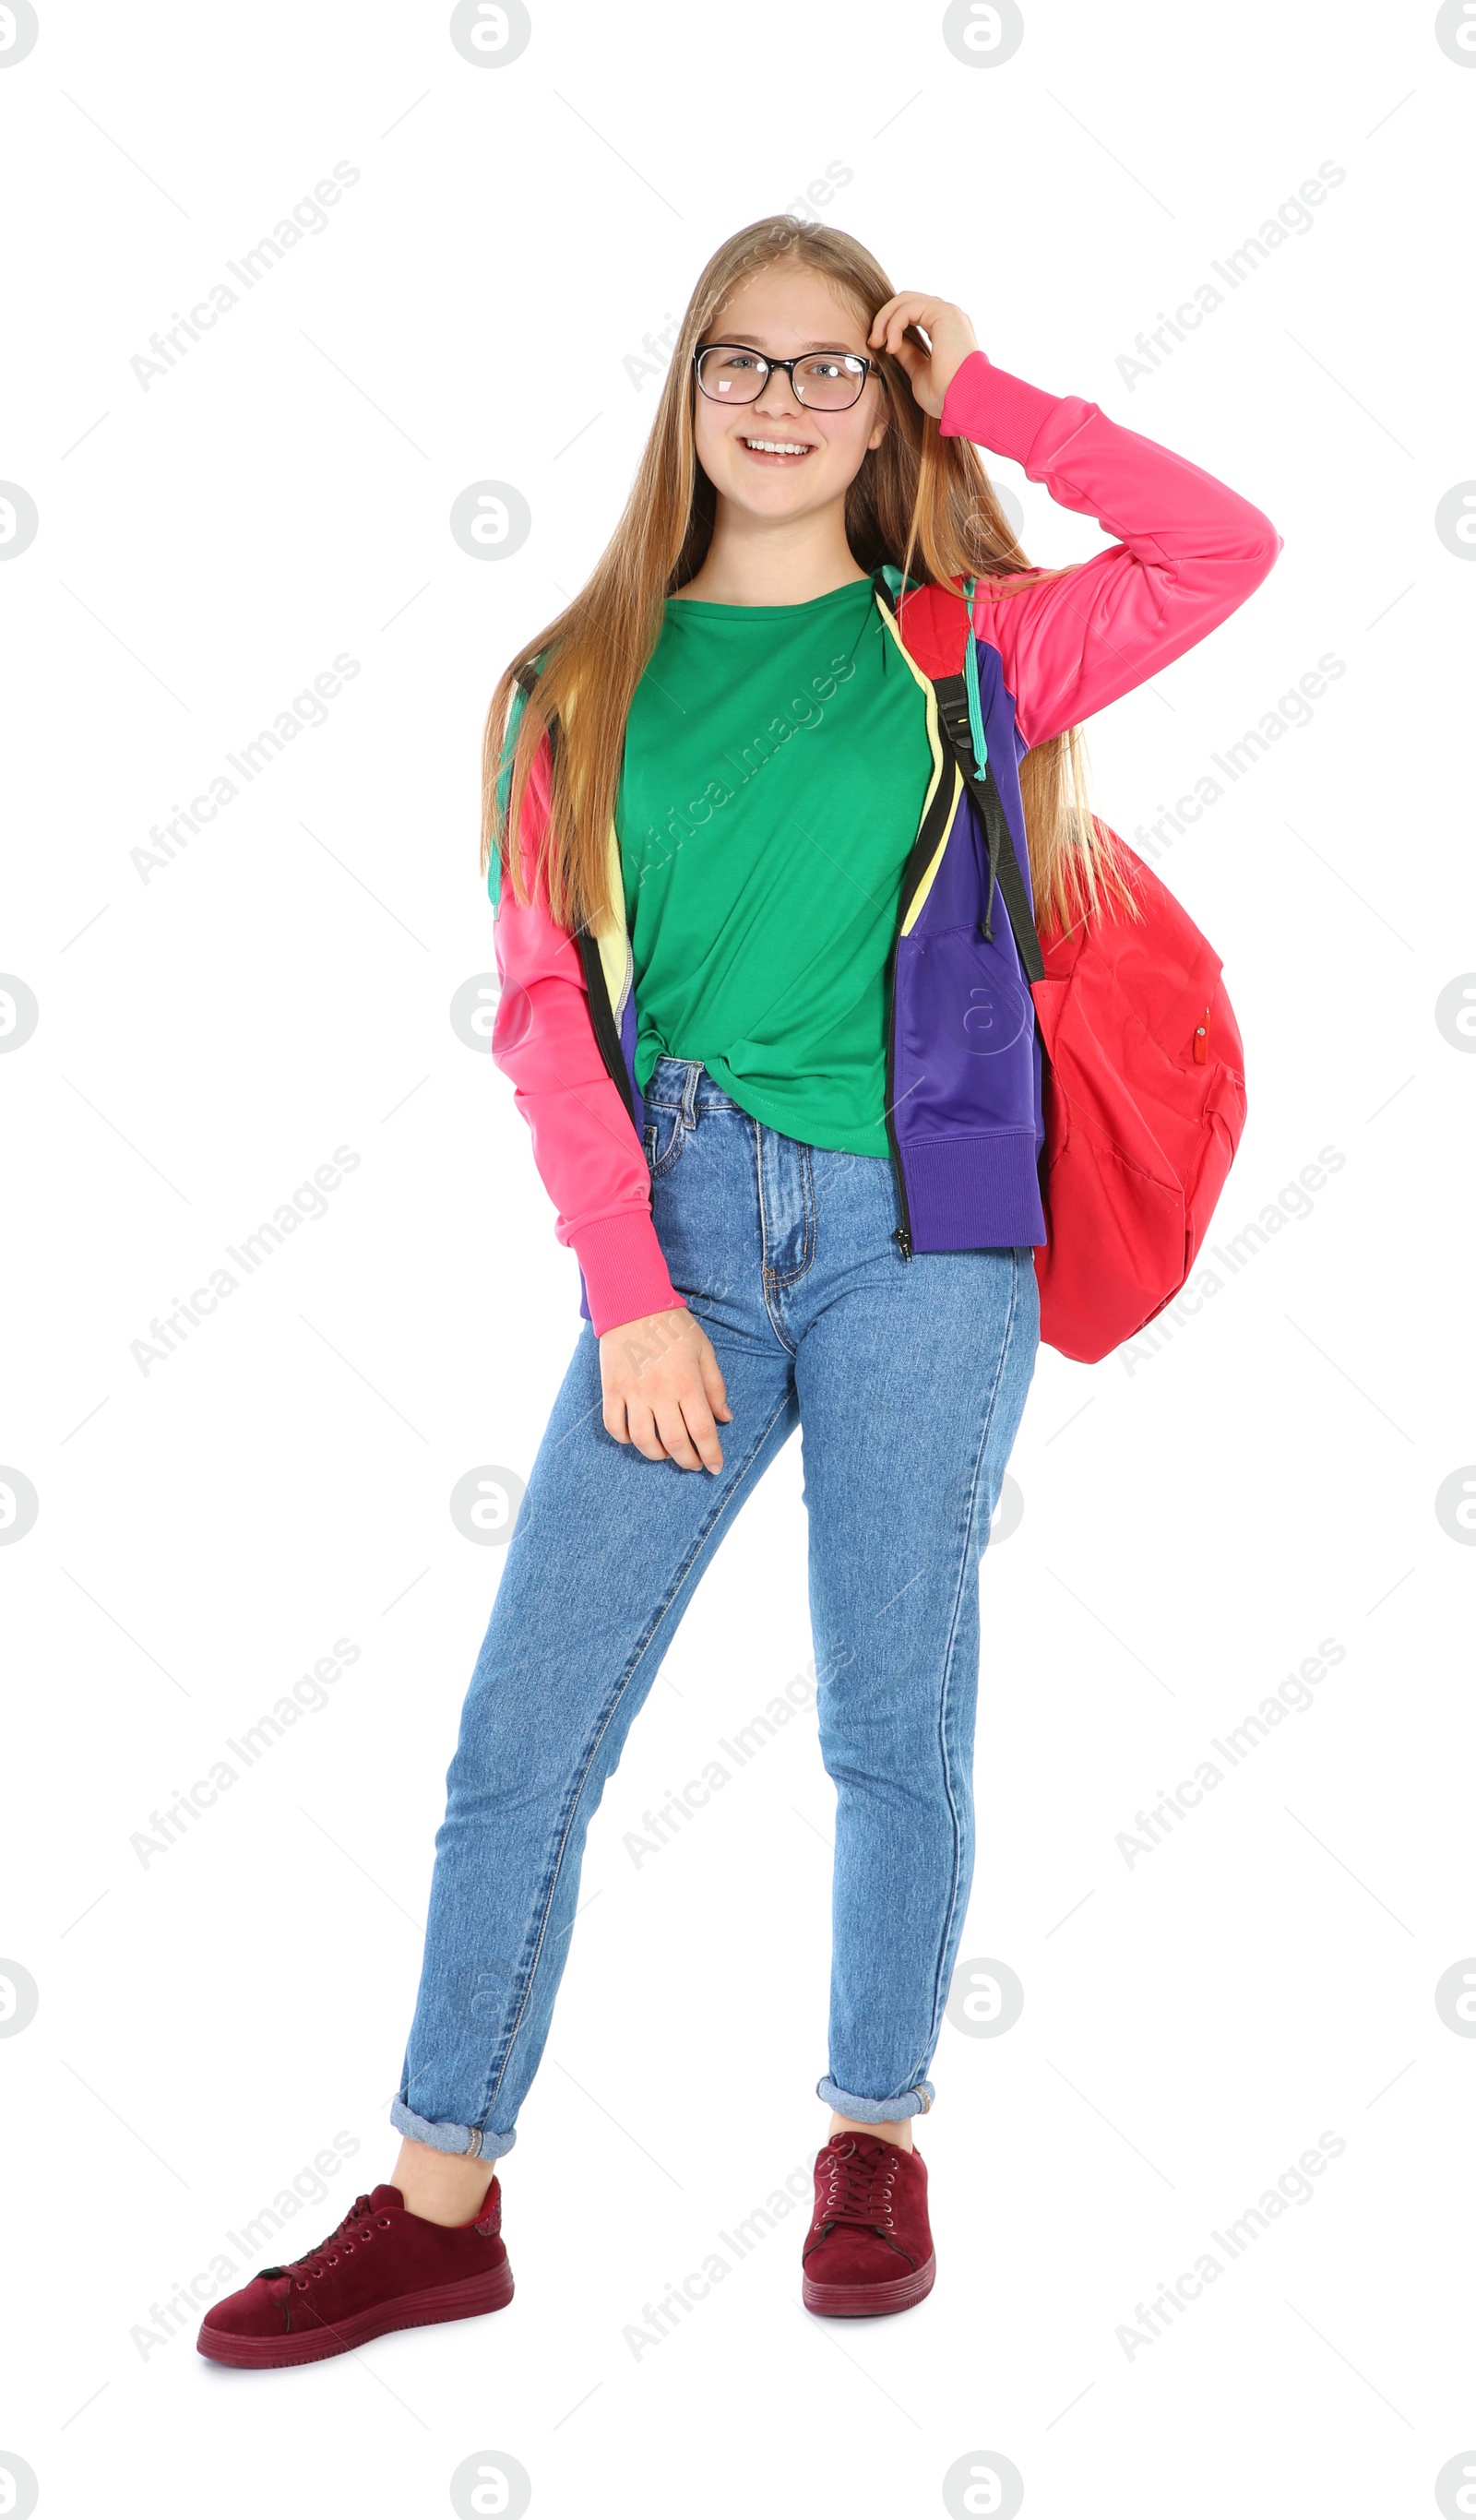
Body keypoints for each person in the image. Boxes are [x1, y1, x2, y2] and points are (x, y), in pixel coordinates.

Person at [198, 215, 1279, 2367]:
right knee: (522, 1738)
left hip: (923, 1228)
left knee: (894, 1717)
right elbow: (537, 1014)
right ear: (680, 393)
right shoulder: (563, 678)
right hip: (678, 1230)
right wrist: (631, 1292)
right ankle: (440, 2201)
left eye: (829, 369)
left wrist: (992, 394)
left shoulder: (956, 646)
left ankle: (871, 2138)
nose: (780, 403)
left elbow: (1216, 547)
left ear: (880, 407)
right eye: (738, 362)